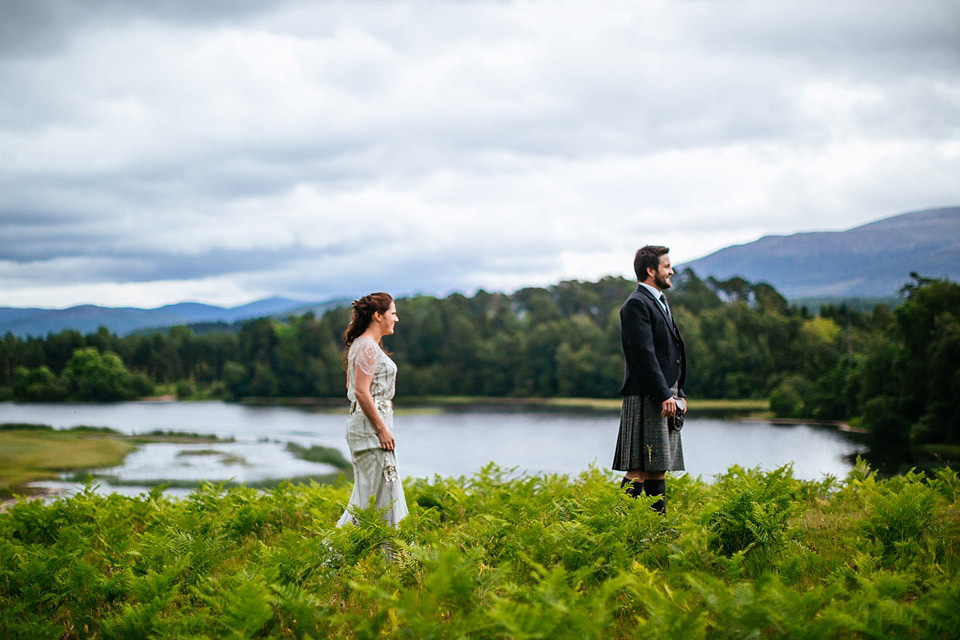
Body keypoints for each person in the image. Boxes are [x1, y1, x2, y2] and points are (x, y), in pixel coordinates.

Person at [612, 245, 686, 514]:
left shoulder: (659, 302)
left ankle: (658, 529)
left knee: (658, 467)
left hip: (664, 393)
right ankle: (619, 526)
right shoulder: (636, 304)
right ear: (650, 270)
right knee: (639, 469)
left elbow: (671, 353)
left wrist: (679, 394)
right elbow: (643, 355)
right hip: (647, 394)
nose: (672, 271)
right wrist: (664, 395)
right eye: (667, 266)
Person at [336, 292, 408, 527]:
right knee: (375, 498)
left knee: (373, 496)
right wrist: (382, 429)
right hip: (371, 429)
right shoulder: (367, 347)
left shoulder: (362, 345)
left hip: (367, 425)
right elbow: (360, 391)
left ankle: (384, 557)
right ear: (378, 315)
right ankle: (336, 558)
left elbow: (352, 386)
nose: (396, 319)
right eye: (393, 313)